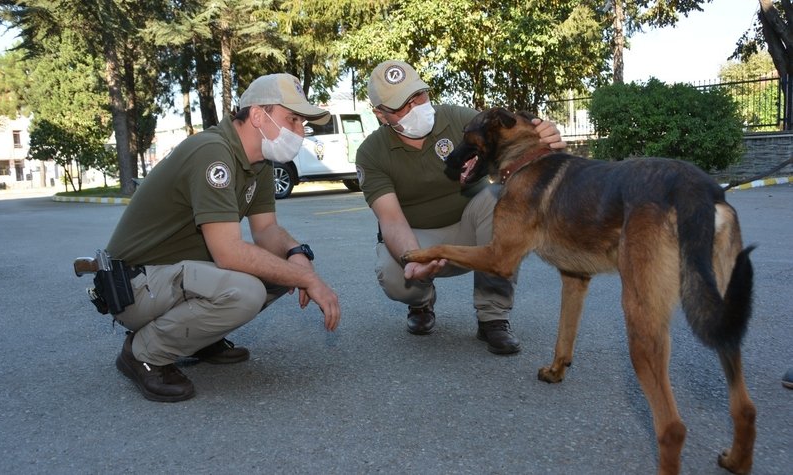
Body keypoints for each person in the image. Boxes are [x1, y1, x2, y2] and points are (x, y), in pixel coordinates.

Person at [102, 73, 341, 402]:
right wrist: (303, 277)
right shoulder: (213, 153)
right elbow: (228, 252)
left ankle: (198, 337)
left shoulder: (259, 165)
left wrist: (296, 254)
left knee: (279, 272)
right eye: (293, 119)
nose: (301, 131)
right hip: (135, 286)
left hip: (171, 276)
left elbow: (267, 231)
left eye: (303, 123)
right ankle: (144, 352)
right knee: (245, 291)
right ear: (258, 115)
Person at [355, 60, 566, 355]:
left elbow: (515, 141)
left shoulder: (458, 118)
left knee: (503, 201)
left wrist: (546, 137)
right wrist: (414, 258)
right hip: (419, 234)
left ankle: (493, 317)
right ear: (380, 114)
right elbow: (390, 219)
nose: (416, 107)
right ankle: (421, 302)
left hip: (472, 222)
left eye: (418, 95)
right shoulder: (371, 153)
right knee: (394, 275)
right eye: (401, 105)